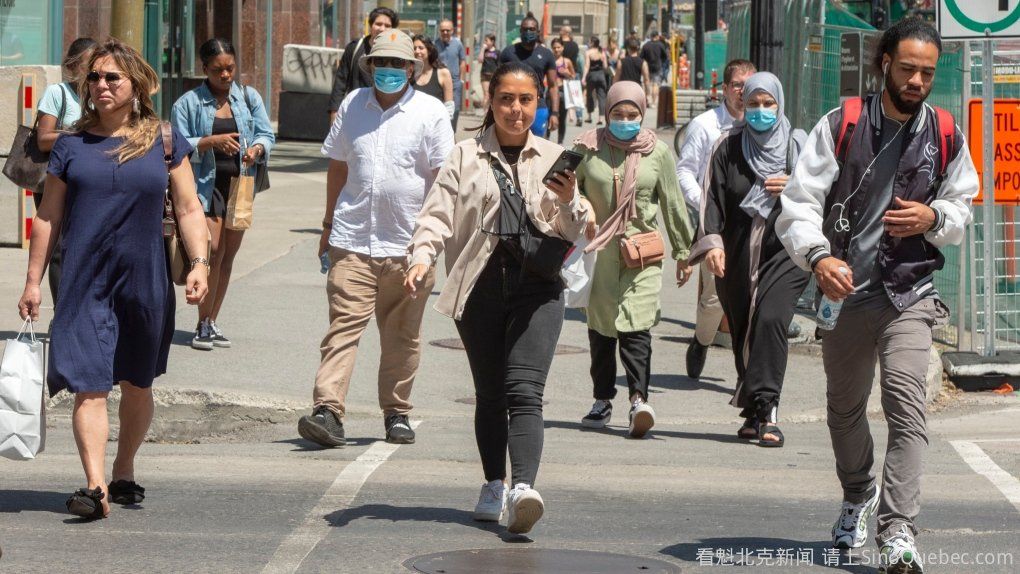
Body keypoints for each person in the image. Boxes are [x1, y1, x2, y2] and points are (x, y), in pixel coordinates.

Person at [777, 18, 977, 572]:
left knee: (906, 405)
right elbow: (798, 203)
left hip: (909, 292)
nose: (917, 81)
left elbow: (962, 202)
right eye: (908, 69)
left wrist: (935, 217)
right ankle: (857, 493)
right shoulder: (841, 123)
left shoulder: (944, 132)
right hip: (844, 294)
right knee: (844, 410)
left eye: (927, 73)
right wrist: (819, 258)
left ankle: (898, 531)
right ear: (885, 63)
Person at [17, 39, 208, 520]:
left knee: (137, 382)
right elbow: (48, 216)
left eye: (112, 77)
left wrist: (199, 263)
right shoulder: (70, 145)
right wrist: (33, 280)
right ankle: (95, 487)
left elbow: (189, 207)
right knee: (89, 383)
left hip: (144, 280)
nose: (101, 85)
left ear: (137, 85)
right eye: (94, 77)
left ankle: (124, 467)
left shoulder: (164, 141)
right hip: (83, 280)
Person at [406, 62, 588, 535]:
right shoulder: (464, 155)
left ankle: (522, 488)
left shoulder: (554, 156)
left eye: (526, 100)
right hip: (479, 287)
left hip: (538, 288)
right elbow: (436, 215)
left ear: (538, 103)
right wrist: (422, 258)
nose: (516, 109)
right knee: (490, 393)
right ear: (491, 100)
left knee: (524, 391)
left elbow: (576, 228)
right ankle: (493, 483)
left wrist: (569, 199)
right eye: (506, 99)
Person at [297, 30, 455, 448]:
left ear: (411, 69)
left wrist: (431, 243)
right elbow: (338, 167)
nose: (388, 69)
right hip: (352, 240)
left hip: (409, 248)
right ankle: (328, 410)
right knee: (342, 329)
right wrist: (327, 225)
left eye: (397, 63)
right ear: (369, 67)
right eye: (381, 62)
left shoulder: (430, 112)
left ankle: (396, 412)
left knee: (402, 337)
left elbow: (444, 181)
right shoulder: (353, 105)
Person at [688, 72, 808, 448]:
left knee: (771, 320)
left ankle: (768, 409)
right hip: (737, 253)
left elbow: (823, 191)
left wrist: (793, 185)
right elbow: (710, 198)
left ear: (780, 103)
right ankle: (754, 410)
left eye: (768, 103)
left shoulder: (797, 145)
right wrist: (712, 244)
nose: (760, 110)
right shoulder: (727, 146)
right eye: (753, 103)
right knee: (743, 329)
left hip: (785, 251)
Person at [573, 81, 694, 437]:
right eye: (618, 114)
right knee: (601, 328)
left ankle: (639, 399)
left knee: (637, 326)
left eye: (632, 115)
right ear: (606, 113)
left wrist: (684, 252)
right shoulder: (586, 148)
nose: (625, 120)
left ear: (642, 114)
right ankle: (602, 399)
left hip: (643, 255)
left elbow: (673, 202)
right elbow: (561, 187)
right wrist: (583, 205)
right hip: (599, 254)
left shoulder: (658, 152)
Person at [171, 39, 275, 351]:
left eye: (230, 68)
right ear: (205, 69)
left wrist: (257, 149)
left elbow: (265, 133)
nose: (226, 75)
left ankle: (211, 321)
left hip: (241, 184)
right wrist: (209, 141)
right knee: (212, 251)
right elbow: (176, 145)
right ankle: (202, 321)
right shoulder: (187, 104)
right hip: (205, 186)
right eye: (218, 70)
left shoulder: (248, 97)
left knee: (228, 255)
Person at [675, 59, 757, 379]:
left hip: (754, 225)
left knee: (755, 297)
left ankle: (747, 375)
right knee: (714, 298)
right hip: (717, 226)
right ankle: (701, 340)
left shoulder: (765, 125)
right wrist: (706, 206)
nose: (743, 92)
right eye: (737, 85)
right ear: (724, 89)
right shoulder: (705, 126)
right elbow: (684, 172)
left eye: (749, 86)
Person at [32, 37, 98, 308]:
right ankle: (62, 313)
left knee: (87, 246)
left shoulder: (100, 97)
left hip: (90, 182)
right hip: (56, 180)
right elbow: (43, 139)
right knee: (59, 248)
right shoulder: (57, 93)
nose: (94, 72)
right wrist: (80, 135)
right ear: (73, 66)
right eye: (88, 65)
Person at [328, 6, 398, 125]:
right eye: (378, 24)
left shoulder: (397, 54)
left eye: (387, 25)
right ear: (371, 25)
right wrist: (334, 112)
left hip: (385, 115)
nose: (382, 28)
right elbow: (340, 82)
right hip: (355, 111)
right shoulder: (354, 48)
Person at [499, 13, 560, 138]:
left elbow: (553, 86)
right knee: (511, 142)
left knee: (537, 143)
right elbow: (497, 83)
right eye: (525, 29)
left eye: (532, 29)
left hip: (538, 106)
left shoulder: (546, 54)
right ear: (520, 31)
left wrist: (554, 113)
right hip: (511, 105)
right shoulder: (508, 53)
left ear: (538, 32)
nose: (528, 32)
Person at [412, 35, 455, 118]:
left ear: (429, 51)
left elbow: (449, 106)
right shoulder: (409, 74)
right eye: (414, 48)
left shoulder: (443, 73)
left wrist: (444, 123)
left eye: (421, 48)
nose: (417, 51)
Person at [436, 20, 467, 130]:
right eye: (442, 30)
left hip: (455, 83)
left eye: (447, 30)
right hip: (439, 82)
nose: (445, 32)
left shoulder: (458, 44)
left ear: (452, 31)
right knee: (439, 107)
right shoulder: (435, 44)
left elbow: (462, 62)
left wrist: (461, 79)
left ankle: (452, 132)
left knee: (454, 109)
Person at [550, 38, 576, 145]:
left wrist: (567, 73)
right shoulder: (549, 60)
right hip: (551, 91)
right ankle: (546, 139)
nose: (556, 49)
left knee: (562, 118)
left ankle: (560, 142)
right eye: (554, 47)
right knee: (549, 116)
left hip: (563, 90)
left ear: (562, 48)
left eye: (558, 47)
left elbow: (573, 76)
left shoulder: (567, 61)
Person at [557, 25, 583, 127]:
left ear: (565, 32)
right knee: (576, 96)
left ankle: (559, 115)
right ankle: (579, 117)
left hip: (561, 73)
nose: (559, 31)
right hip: (574, 72)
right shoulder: (575, 45)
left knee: (561, 95)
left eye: (561, 30)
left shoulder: (559, 45)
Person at [582, 36, 608, 125]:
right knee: (602, 97)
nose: (588, 43)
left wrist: (583, 77)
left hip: (591, 75)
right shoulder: (602, 52)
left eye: (589, 41)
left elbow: (587, 66)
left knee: (589, 96)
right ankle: (601, 118)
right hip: (601, 75)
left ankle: (589, 117)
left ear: (592, 43)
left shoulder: (588, 52)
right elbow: (605, 66)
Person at [639, 32, 669, 107]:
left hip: (647, 67)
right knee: (655, 84)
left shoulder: (646, 45)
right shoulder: (660, 45)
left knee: (647, 83)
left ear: (651, 36)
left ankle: (648, 100)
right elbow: (665, 56)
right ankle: (653, 102)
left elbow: (641, 57)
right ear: (657, 36)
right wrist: (661, 61)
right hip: (657, 66)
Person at [479, 33, 500, 109]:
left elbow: (499, 65)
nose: (485, 42)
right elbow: (480, 60)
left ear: (492, 42)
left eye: (486, 40)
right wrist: (482, 49)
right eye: (485, 40)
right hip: (485, 74)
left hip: (493, 75)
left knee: (492, 95)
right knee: (486, 94)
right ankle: (485, 112)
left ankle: (490, 111)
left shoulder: (497, 52)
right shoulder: (484, 51)